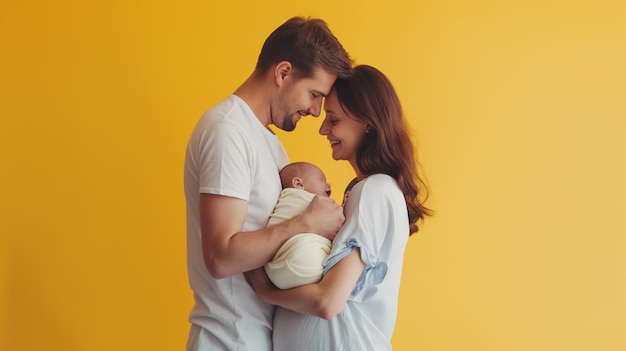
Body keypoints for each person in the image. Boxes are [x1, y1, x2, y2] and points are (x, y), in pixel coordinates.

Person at [183, 16, 351, 351]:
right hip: (228, 340)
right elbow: (220, 258)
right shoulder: (227, 131)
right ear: (283, 72)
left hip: (255, 339)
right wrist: (306, 223)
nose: (316, 111)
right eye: (314, 94)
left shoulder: (271, 144)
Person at [246, 65, 432, 351]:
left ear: (367, 122)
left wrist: (266, 291)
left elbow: (328, 301)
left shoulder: (375, 191)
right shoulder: (365, 192)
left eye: (333, 120)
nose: (323, 129)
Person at [265, 162, 334, 289]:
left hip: (274, 272)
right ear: (298, 184)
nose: (328, 184)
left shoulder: (284, 201)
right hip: (305, 258)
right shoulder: (313, 201)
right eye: (321, 179)